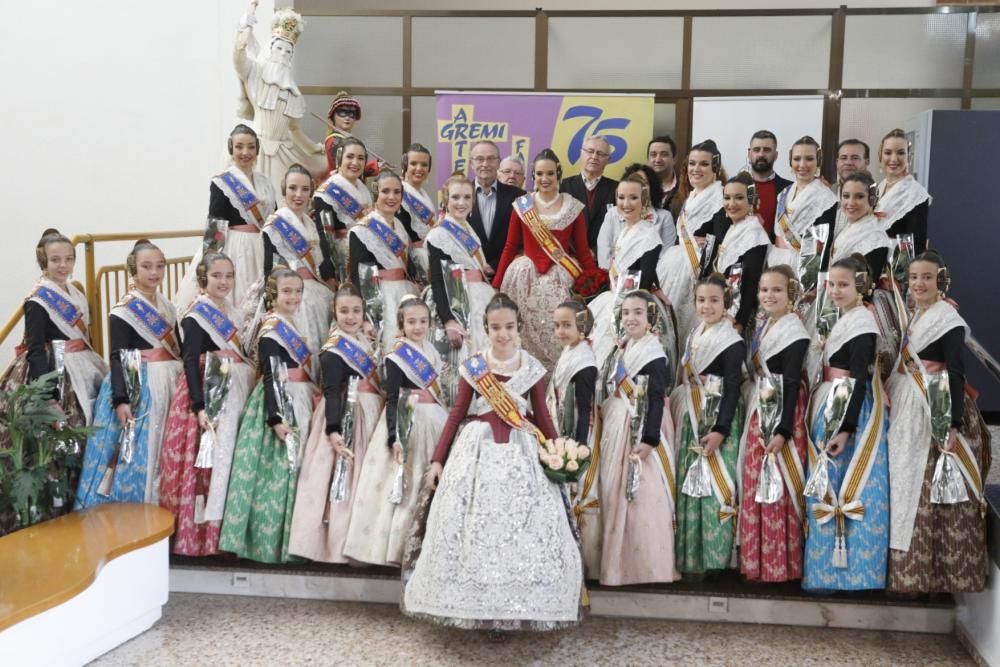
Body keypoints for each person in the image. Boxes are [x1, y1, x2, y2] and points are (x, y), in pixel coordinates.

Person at [402, 294, 583, 631]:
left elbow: (543, 419)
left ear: (519, 329)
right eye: (496, 327)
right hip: (476, 451)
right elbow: (456, 415)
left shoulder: (531, 368)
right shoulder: (474, 364)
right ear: (485, 329)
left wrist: (561, 457)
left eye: (509, 327)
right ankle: (474, 604)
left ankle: (520, 605)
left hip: (523, 453)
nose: (503, 334)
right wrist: (438, 461)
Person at [886, 251, 989, 594]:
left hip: (936, 410)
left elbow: (956, 373)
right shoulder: (915, 315)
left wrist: (953, 424)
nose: (919, 284)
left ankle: (931, 579)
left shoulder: (948, 319)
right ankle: (905, 577)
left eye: (927, 278)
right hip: (907, 406)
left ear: (940, 281)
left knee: (929, 494)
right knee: (905, 487)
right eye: (914, 277)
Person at [0, 231, 108, 518]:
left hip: (81, 365)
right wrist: (45, 394)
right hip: (53, 371)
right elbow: (35, 349)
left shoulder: (74, 292)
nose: (64, 265)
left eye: (69, 259)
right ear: (43, 261)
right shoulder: (38, 300)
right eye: (56, 260)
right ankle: (51, 507)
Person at [159, 253, 255, 556]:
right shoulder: (197, 313)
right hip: (208, 393)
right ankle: (201, 537)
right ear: (204, 278)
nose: (223, 282)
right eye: (217, 276)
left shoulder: (232, 311)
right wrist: (199, 406)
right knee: (206, 465)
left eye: (228, 276)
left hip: (232, 390)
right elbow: (190, 360)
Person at [219, 268, 317, 564]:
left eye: (297, 291)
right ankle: (268, 544)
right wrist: (276, 418)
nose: (293, 296)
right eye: (287, 291)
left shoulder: (292, 323)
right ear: (273, 294)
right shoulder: (271, 329)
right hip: (279, 404)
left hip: (299, 397)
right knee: (277, 475)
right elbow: (272, 377)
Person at [803, 255, 889, 592]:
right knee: (826, 488)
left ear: (861, 287)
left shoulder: (862, 325)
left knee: (847, 487)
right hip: (830, 403)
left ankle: (853, 574)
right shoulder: (844, 319)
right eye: (832, 284)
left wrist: (846, 428)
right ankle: (826, 571)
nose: (836, 290)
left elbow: (858, 380)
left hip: (847, 411)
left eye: (844, 285)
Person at [342, 297, 448, 566]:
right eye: (411, 321)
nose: (418, 326)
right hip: (408, 422)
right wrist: (394, 435)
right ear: (402, 324)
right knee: (404, 486)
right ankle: (397, 547)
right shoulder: (396, 356)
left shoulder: (432, 352)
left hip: (434, 420)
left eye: (423, 321)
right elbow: (392, 398)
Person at [76, 241, 182, 508]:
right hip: (140, 385)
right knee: (135, 452)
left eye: (159, 266)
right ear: (133, 269)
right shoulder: (123, 311)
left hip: (169, 382)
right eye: (146, 266)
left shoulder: (168, 307)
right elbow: (118, 356)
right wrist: (121, 399)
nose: (154, 272)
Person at [287, 285, 383, 564]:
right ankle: (335, 547)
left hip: (368, 412)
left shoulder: (364, 341)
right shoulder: (333, 350)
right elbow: (330, 391)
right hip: (345, 416)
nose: (350, 317)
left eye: (356, 311)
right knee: (340, 484)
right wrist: (333, 429)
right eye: (344, 311)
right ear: (334, 312)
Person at [599, 291, 679, 585]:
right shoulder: (624, 348)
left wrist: (649, 440)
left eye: (638, 313)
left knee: (642, 497)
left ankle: (646, 565)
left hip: (643, 429)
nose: (631, 318)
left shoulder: (654, 354)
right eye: (626, 313)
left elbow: (656, 399)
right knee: (614, 490)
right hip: (618, 423)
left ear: (650, 319)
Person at [493, 149, 600, 369]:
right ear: (533, 176)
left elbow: (581, 249)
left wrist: (594, 279)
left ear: (558, 175)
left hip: (561, 273)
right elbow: (510, 246)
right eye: (540, 174)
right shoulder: (522, 205)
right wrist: (496, 284)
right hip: (525, 274)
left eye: (550, 174)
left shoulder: (573, 207)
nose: (544, 179)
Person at [738, 266, 810, 583]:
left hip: (782, 415)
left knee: (777, 488)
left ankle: (782, 566)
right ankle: (758, 564)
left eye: (777, 290)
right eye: (764, 290)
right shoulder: (765, 326)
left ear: (790, 293)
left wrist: (783, 431)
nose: (769, 296)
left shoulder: (794, 331)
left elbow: (793, 383)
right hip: (760, 408)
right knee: (757, 486)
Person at [672, 275, 746, 577]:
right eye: (701, 300)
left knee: (716, 486)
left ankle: (716, 560)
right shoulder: (695, 333)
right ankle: (693, 558)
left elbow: (732, 388)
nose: (707, 306)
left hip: (717, 419)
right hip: (691, 414)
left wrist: (720, 430)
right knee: (691, 485)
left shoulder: (731, 340)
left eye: (714, 300)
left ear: (725, 302)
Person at [173, 125, 278, 314]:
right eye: (239, 147)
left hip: (262, 249)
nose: (245, 152)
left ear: (257, 150)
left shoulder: (266, 182)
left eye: (251, 147)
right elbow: (216, 225)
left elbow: (273, 220)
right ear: (231, 149)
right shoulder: (222, 182)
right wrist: (210, 261)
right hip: (235, 249)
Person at [233, 5, 325, 194]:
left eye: (288, 51)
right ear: (271, 48)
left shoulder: (294, 94)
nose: (283, 54)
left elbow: (295, 129)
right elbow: (239, 60)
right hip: (256, 149)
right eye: (279, 48)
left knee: (286, 198)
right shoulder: (256, 75)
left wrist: (314, 148)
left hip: (284, 151)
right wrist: (243, 31)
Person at [589, 175, 668, 375]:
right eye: (621, 197)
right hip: (615, 296)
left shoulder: (648, 234)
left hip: (634, 303)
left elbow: (645, 279)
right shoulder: (625, 230)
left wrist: (626, 311)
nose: (626, 203)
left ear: (644, 201)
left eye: (633, 198)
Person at [263, 164, 335, 367]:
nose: (298, 194)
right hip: (291, 296)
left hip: (316, 293)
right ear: (284, 190)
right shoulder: (275, 224)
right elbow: (270, 269)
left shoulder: (311, 222)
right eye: (293, 188)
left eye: (305, 189)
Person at [657, 140, 727, 346]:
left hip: (700, 273)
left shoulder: (721, 197)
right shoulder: (688, 198)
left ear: (715, 167)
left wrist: (709, 244)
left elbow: (723, 240)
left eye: (703, 164)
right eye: (692, 164)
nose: (696, 169)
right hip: (675, 266)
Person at [547, 300, 599, 576]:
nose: (560, 331)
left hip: (581, 434)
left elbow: (583, 407)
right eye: (556, 325)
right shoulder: (571, 351)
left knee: (582, 490)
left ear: (582, 325)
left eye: (567, 325)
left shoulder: (584, 361)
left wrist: (577, 448)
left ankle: (584, 560)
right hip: (563, 427)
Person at [348, 170, 420, 353]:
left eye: (397, 192)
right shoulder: (362, 230)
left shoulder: (400, 225)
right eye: (385, 191)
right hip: (379, 297)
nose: (391, 197)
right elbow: (358, 276)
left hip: (405, 293)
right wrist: (363, 315)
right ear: (376, 194)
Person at [427, 174, 496, 356]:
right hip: (457, 303)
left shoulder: (468, 228)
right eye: (455, 197)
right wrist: (449, 321)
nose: (461, 203)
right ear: (446, 200)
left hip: (480, 298)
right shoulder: (439, 235)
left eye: (467, 197)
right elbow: (438, 281)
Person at [768, 136, 838, 308]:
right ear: (790, 160)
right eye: (797, 158)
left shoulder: (825, 197)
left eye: (809, 159)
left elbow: (822, 244)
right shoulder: (784, 193)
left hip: (803, 268)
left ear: (818, 161)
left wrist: (813, 283)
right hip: (776, 261)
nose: (802, 164)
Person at [712, 173, 771, 335]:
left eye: (739, 198)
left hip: (739, 315)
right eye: (727, 198)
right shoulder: (734, 228)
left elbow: (750, 283)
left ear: (750, 200)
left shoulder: (754, 234)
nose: (731, 204)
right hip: (722, 308)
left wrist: (740, 322)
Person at [314, 137, 375, 283]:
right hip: (343, 259)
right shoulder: (327, 192)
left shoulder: (364, 188)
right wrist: (328, 273)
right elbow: (324, 237)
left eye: (361, 158)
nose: (355, 163)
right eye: (350, 157)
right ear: (340, 159)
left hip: (368, 253)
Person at [596, 163, 675, 267]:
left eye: (644, 183)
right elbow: (604, 251)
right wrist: (613, 279)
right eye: (634, 181)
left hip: (651, 278)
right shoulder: (612, 214)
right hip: (612, 278)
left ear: (651, 187)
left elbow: (666, 256)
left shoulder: (664, 217)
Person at [467, 140, 524, 271]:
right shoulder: (458, 196)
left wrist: (496, 265)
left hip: (508, 271)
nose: (485, 164)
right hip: (471, 273)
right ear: (471, 163)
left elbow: (523, 242)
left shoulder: (519, 197)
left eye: (491, 158)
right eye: (480, 159)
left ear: (499, 162)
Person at [875, 129, 930, 254]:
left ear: (908, 157)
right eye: (888, 152)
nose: (894, 159)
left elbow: (916, 245)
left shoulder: (916, 195)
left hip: (895, 268)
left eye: (900, 153)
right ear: (880, 156)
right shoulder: (878, 188)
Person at [560, 135, 619, 251]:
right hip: (568, 257)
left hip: (602, 258)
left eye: (601, 154)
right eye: (590, 151)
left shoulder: (617, 189)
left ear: (608, 160)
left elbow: (619, 229)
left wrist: (596, 252)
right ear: (581, 153)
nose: (594, 157)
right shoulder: (563, 186)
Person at [398, 143, 436, 284]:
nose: (419, 169)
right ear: (405, 165)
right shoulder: (399, 193)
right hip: (411, 262)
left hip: (427, 257)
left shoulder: (423, 194)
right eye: (413, 163)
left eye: (424, 165)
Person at [746, 130, 793, 241]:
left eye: (767, 150)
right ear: (749, 153)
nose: (761, 154)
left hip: (776, 255)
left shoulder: (790, 189)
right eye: (756, 150)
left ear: (775, 155)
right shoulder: (734, 187)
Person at [322, 91, 379, 179]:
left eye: (351, 114)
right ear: (333, 116)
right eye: (342, 113)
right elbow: (347, 169)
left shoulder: (347, 139)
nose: (347, 118)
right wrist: (376, 166)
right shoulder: (334, 140)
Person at [833, 139, 872, 239]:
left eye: (855, 158)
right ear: (837, 162)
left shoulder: (876, 195)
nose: (848, 162)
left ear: (866, 162)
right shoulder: (826, 193)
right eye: (843, 158)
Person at [647, 136, 680, 211]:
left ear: (674, 159)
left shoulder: (685, 187)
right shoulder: (639, 186)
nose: (658, 160)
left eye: (664, 154)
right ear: (648, 159)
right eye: (653, 154)